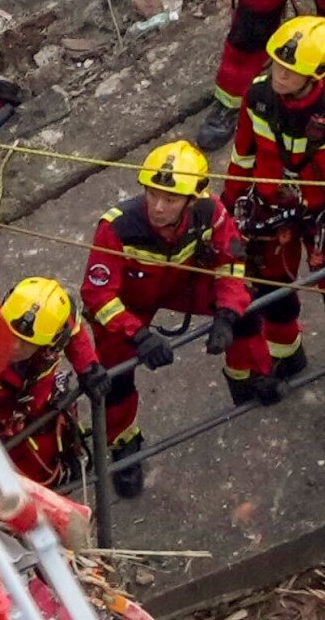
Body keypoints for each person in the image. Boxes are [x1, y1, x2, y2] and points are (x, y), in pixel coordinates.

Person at [214, 16, 325, 428]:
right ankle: (287, 354)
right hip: (272, 207)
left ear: (317, 75)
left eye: (291, 70)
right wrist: (228, 206)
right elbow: (244, 156)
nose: (279, 74)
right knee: (270, 287)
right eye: (276, 64)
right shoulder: (257, 97)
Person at [79, 142, 233, 500]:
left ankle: (252, 374)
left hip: (184, 284)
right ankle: (123, 443)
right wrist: (139, 336)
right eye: (153, 194)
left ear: (191, 201)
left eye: (171, 199)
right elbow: (98, 295)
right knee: (114, 381)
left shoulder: (211, 212)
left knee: (247, 311)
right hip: (130, 302)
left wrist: (227, 314)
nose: (158, 207)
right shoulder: (116, 228)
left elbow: (232, 261)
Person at [0, 274, 106, 490]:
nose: (15, 346)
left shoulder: (54, 328)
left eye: (26, 343)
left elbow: (73, 330)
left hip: (39, 407)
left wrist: (88, 366)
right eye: (11, 333)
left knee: (52, 455)